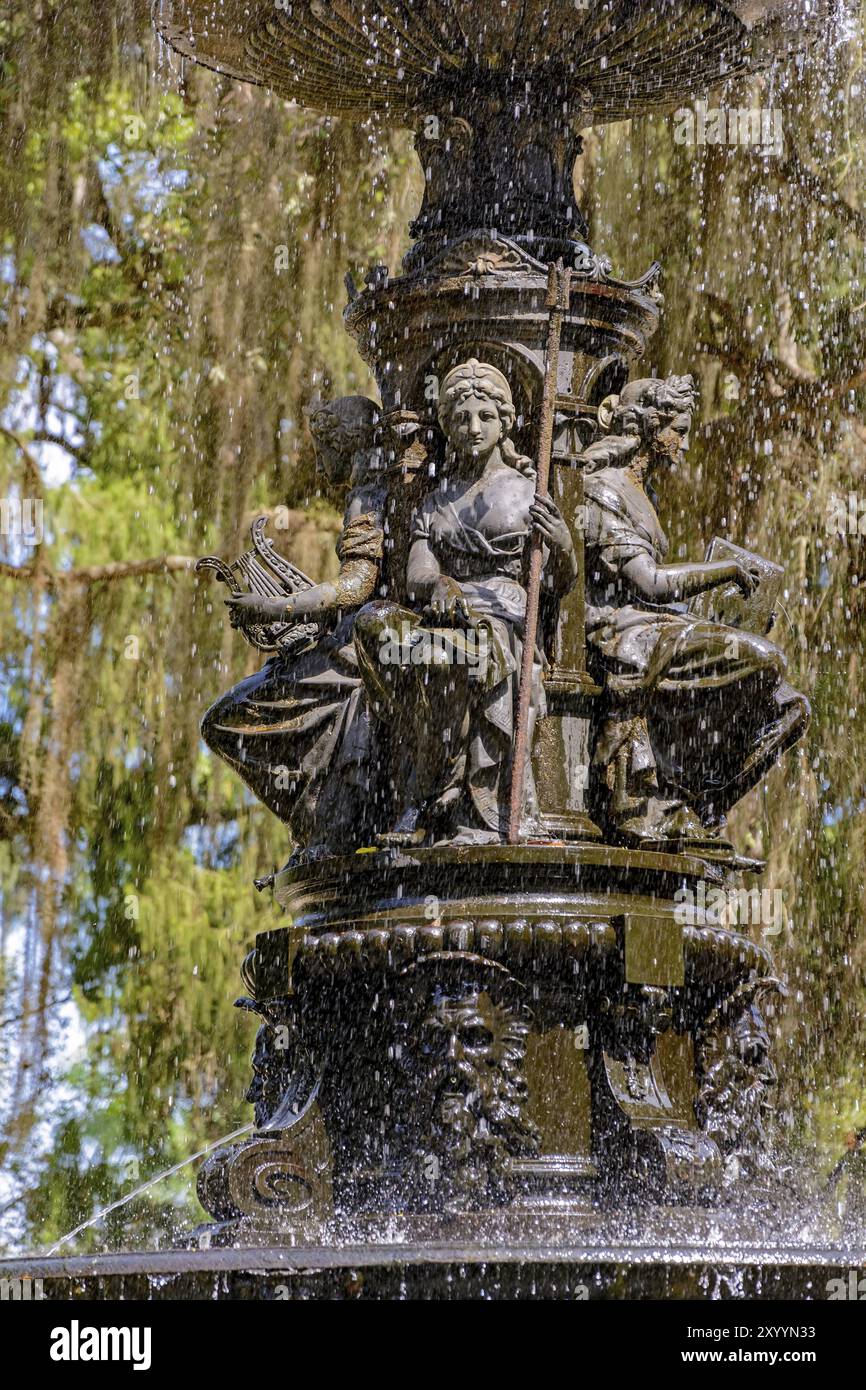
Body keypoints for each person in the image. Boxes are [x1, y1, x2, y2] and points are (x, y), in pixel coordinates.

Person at [354, 359, 576, 843]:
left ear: (505, 422)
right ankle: (427, 788)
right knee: (378, 627)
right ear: (446, 426)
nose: (472, 428)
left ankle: (452, 799)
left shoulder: (528, 493)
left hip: (502, 618)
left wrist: (560, 543)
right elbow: (418, 571)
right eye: (459, 418)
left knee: (448, 657)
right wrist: (438, 586)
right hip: (447, 615)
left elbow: (559, 584)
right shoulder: (436, 500)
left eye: (484, 417)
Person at [582, 374, 810, 843]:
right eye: (678, 431)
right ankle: (678, 792)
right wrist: (724, 571)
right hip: (620, 633)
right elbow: (648, 582)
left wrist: (724, 611)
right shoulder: (603, 489)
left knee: (790, 708)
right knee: (765, 660)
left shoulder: (638, 493)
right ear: (649, 427)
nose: (685, 444)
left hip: (651, 624)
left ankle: (700, 797)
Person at [200, 396, 388, 858]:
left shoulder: (370, 492)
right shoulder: (371, 485)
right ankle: (321, 816)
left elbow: (356, 587)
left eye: (324, 450)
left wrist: (275, 607)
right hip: (357, 638)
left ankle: (327, 818)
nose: (321, 466)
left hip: (359, 646)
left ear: (345, 442)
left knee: (225, 721)